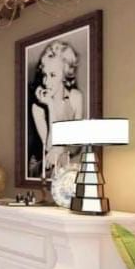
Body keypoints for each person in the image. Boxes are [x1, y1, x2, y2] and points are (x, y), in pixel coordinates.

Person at [27, 40, 84, 180]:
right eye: (45, 75)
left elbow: (77, 146)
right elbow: (50, 147)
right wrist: (51, 106)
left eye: (53, 75)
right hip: (41, 168)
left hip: (66, 164)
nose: (46, 82)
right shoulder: (38, 108)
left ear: (65, 76)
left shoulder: (76, 97)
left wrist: (62, 148)